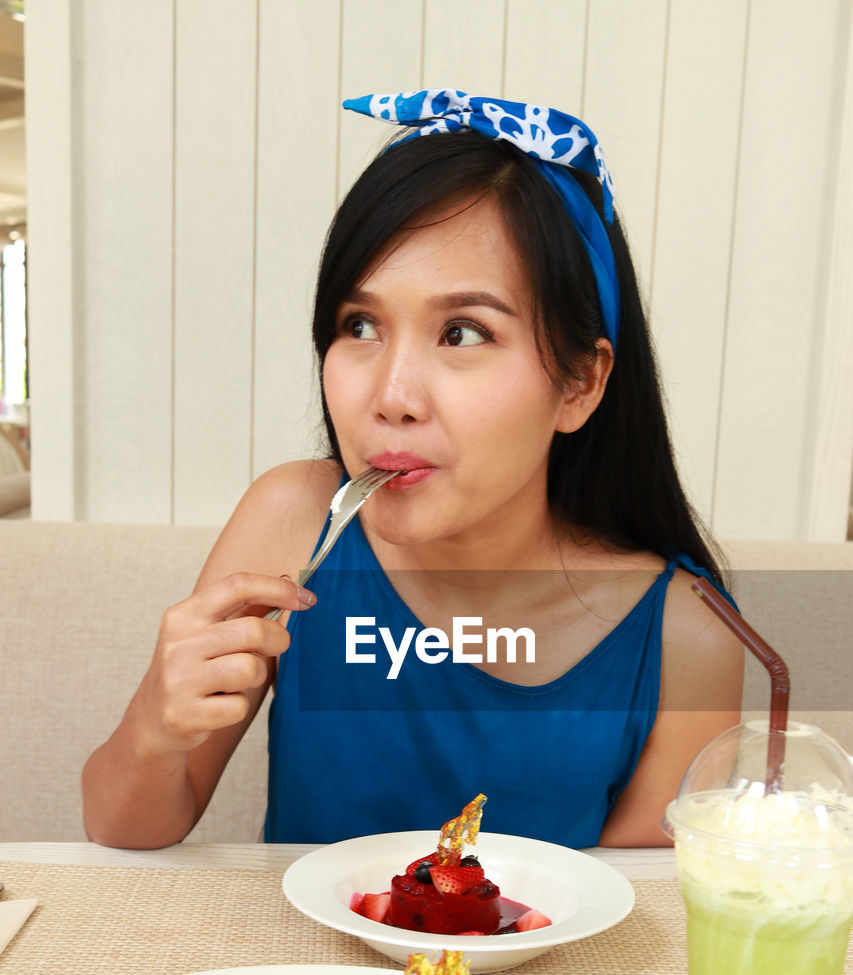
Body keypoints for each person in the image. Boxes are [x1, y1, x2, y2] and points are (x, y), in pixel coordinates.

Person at [82, 90, 743, 851]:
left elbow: (632, 922)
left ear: (579, 384)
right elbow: (118, 831)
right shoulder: (293, 521)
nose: (389, 398)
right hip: (296, 973)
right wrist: (155, 727)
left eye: (462, 332)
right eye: (358, 325)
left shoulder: (683, 636)